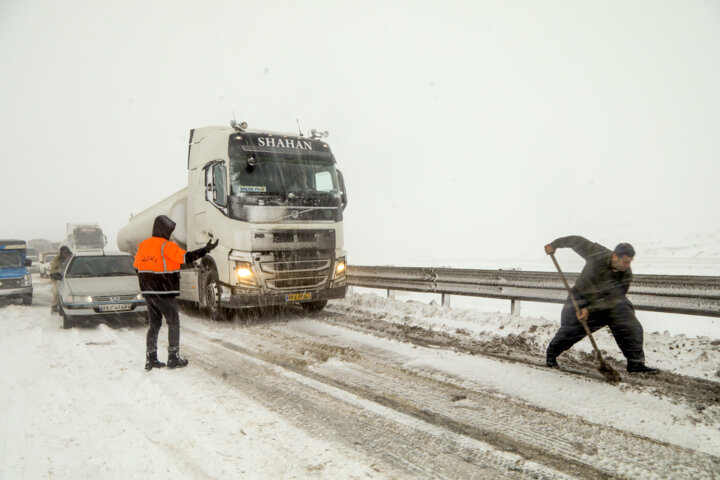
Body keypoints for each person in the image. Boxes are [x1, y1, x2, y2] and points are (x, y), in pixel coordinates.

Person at [544, 236, 659, 374]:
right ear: (615, 256)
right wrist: (555, 244)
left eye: (630, 262)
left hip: (606, 305)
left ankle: (636, 365)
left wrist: (590, 309)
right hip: (580, 300)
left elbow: (615, 299)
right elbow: (576, 241)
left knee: (627, 319)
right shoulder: (597, 253)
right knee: (570, 330)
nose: (628, 265)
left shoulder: (626, 274)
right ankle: (551, 354)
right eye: (625, 261)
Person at [134, 215, 218, 370]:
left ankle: (151, 358)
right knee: (173, 323)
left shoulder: (143, 246)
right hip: (165, 291)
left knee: (154, 324)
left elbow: (137, 267)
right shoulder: (167, 246)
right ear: (164, 230)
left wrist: (149, 282)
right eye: (169, 230)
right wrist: (205, 250)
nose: (170, 233)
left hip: (149, 293)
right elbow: (186, 257)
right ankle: (173, 357)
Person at [49, 246, 72, 313]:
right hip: (57, 278)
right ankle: (54, 305)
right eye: (65, 253)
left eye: (67, 253)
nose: (66, 255)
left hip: (68, 278)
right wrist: (60, 271)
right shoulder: (56, 260)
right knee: (56, 291)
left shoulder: (71, 258)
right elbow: (52, 270)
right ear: (61, 253)